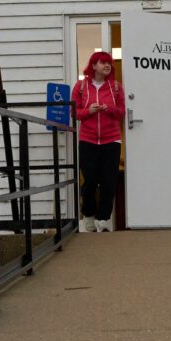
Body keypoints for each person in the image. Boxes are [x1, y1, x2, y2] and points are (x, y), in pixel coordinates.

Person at [73, 50, 125, 233]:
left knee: (109, 181)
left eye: (109, 62)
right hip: (88, 140)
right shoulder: (80, 86)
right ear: (93, 65)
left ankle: (103, 219)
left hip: (111, 140)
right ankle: (88, 215)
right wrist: (89, 111)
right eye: (103, 62)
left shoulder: (116, 87)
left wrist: (109, 108)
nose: (107, 65)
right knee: (89, 180)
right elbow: (74, 112)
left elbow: (121, 112)